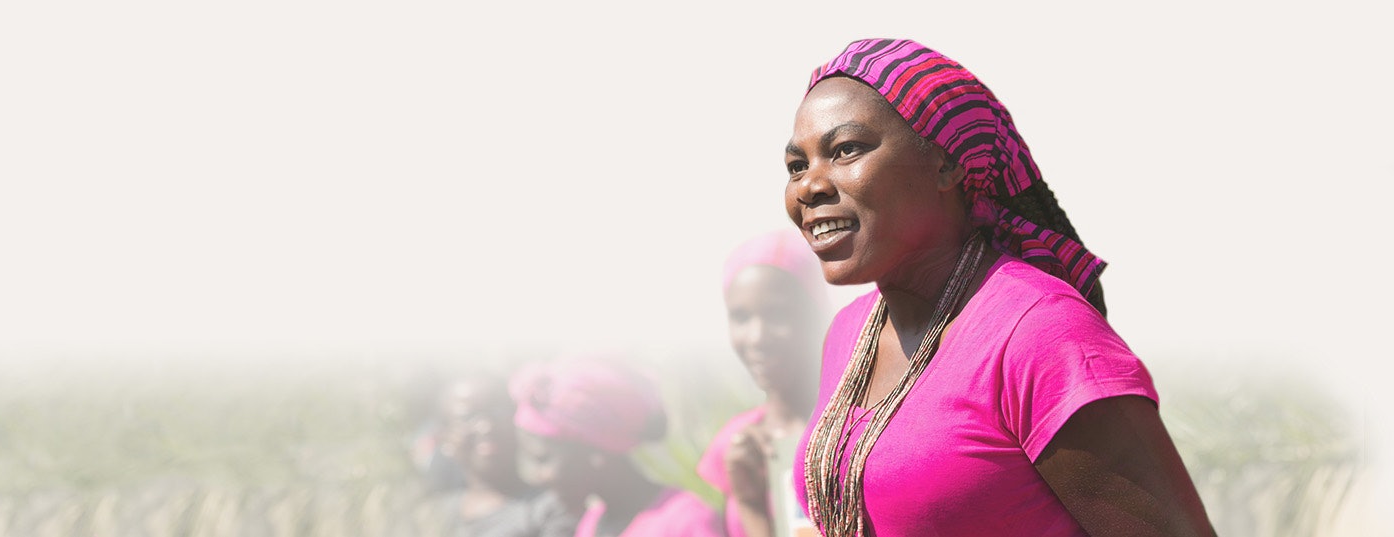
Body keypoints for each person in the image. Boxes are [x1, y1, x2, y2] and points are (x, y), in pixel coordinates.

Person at [784, 39, 1217, 536]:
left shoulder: (1040, 333)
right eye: (797, 166)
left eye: (846, 150)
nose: (810, 186)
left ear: (945, 163)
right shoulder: (849, 332)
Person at [697, 229, 827, 537]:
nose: (757, 338)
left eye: (777, 314)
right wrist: (749, 503)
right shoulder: (737, 445)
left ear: (816, 312)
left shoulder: (856, 429)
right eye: (741, 317)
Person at [509, 354, 723, 537]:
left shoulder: (685, 521)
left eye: (543, 459)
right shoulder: (593, 523)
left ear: (594, 452)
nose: (540, 476)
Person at [427, 369, 578, 537]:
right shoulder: (431, 518)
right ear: (444, 437)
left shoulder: (551, 509)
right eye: (468, 417)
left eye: (498, 412)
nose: (486, 427)